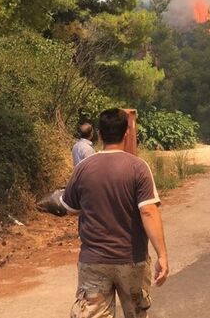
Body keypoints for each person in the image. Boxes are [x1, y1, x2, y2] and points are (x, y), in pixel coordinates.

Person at [61, 108, 169, 318]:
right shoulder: (138, 168)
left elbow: (70, 208)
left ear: (99, 134)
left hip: (94, 262)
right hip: (132, 260)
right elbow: (148, 212)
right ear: (127, 133)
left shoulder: (83, 168)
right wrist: (162, 255)